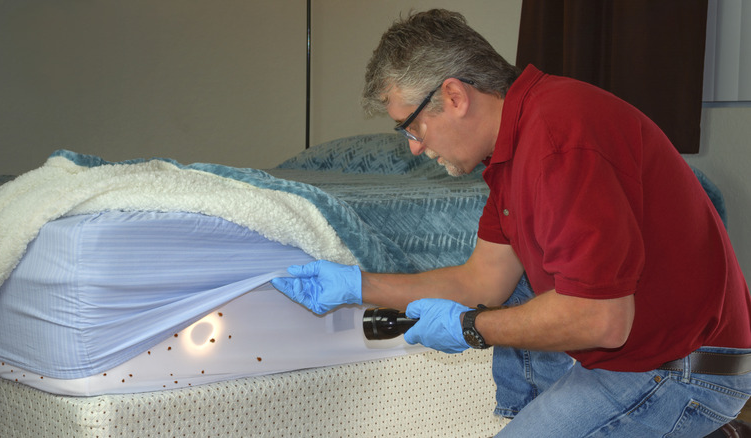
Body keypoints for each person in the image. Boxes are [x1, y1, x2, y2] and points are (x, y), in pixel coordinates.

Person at [272, 9, 751, 437]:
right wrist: (359, 284)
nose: (415, 147)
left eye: (412, 127)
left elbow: (600, 319)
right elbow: (479, 279)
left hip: (679, 371)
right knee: (522, 285)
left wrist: (471, 327)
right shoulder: (514, 149)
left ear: (455, 96)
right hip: (635, 356)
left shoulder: (558, 140)